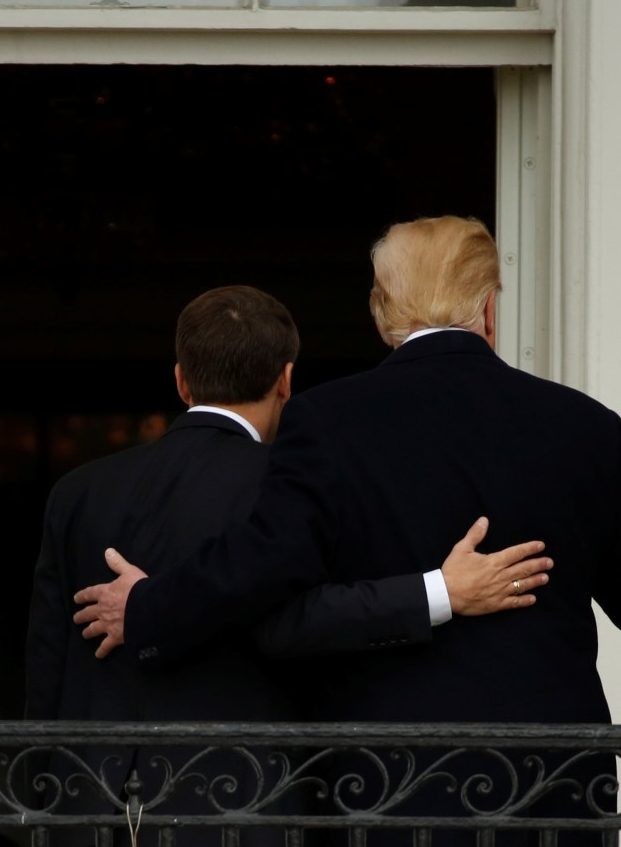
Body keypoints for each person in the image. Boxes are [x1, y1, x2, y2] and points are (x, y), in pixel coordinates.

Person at [74, 216, 621, 843]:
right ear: (490, 309)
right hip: (553, 789)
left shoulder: (327, 420)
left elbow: (261, 570)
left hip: (387, 788)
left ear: (383, 315)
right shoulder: (583, 426)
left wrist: (148, 606)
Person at [27, 284, 551, 846]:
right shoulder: (293, 485)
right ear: (286, 379)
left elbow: (46, 662)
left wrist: (31, 805)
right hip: (241, 804)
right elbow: (308, 619)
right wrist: (442, 591)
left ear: (181, 379)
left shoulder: (77, 491)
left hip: (86, 804)